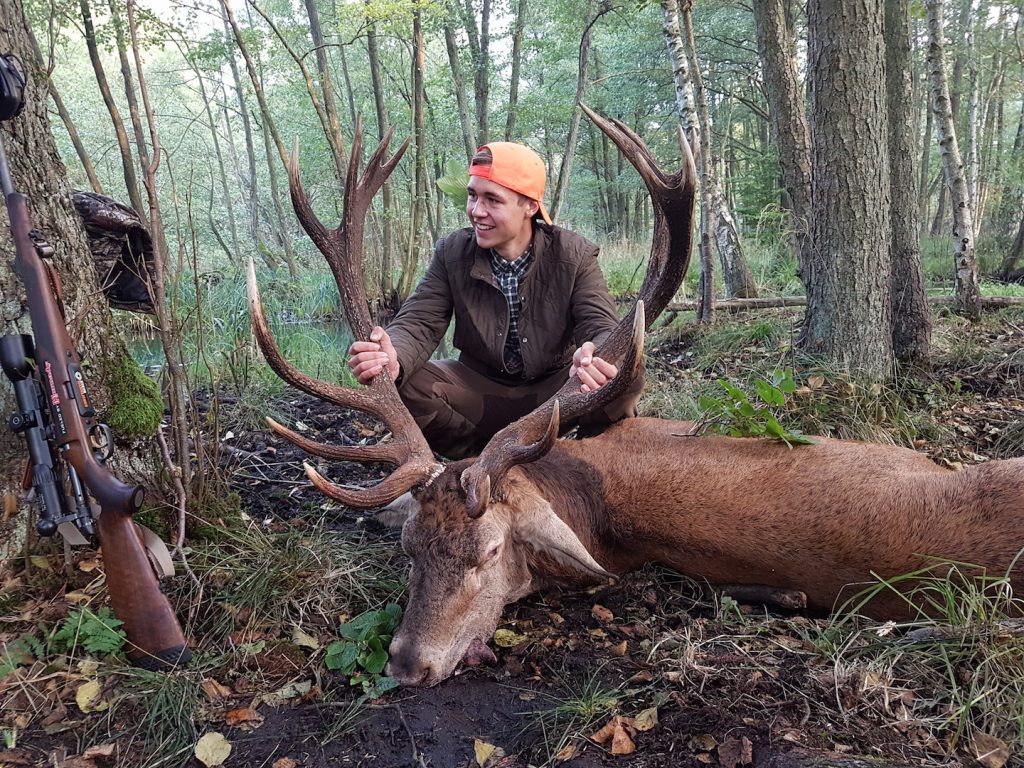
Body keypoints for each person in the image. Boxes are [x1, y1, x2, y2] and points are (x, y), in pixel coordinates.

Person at [347, 141, 643, 459]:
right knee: (406, 381)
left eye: (492, 200)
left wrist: (595, 355)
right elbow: (419, 321)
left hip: (556, 391)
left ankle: (590, 460)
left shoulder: (574, 254)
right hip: (482, 391)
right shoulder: (452, 252)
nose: (476, 211)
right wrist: (394, 357)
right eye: (473, 195)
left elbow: (601, 324)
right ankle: (479, 462)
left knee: (624, 369)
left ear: (530, 206)